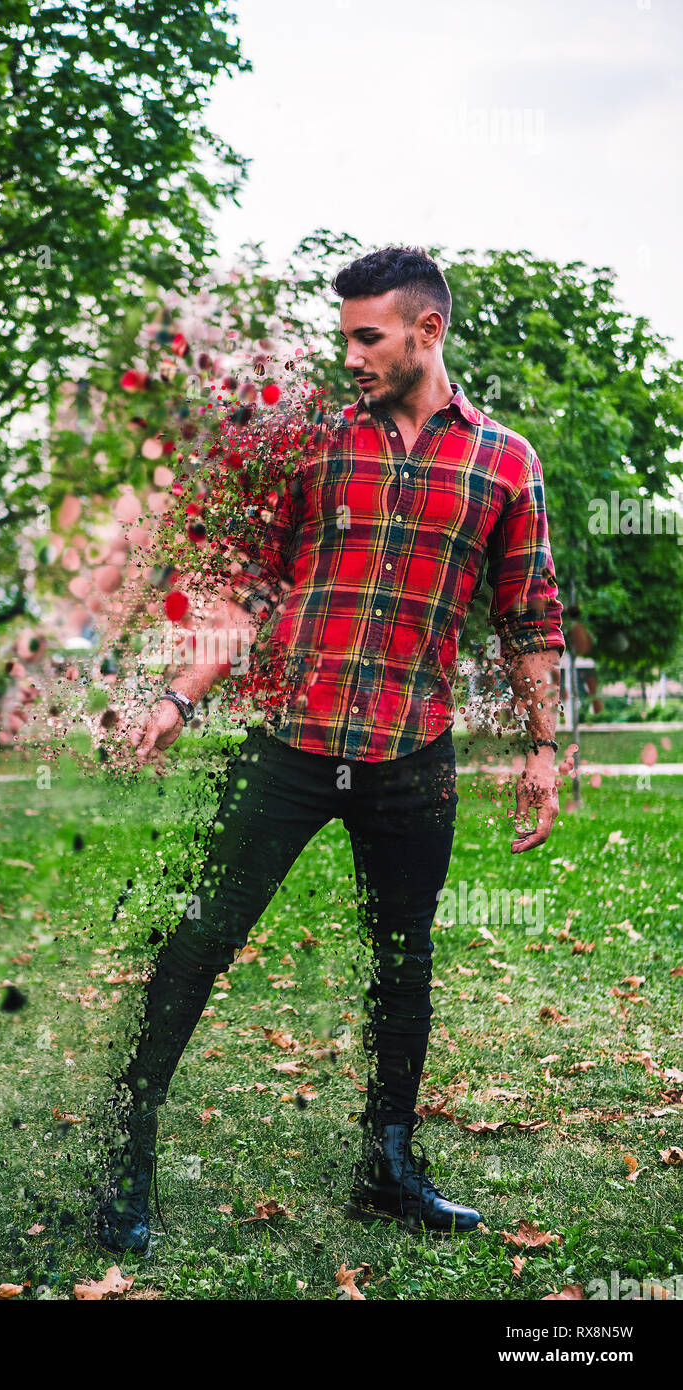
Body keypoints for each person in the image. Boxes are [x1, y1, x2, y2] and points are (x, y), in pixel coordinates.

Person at [94, 245, 566, 1254]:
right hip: (293, 742)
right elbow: (248, 590)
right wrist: (180, 694)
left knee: (405, 959)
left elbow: (529, 619)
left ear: (425, 331)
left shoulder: (504, 461)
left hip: (413, 753)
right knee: (200, 938)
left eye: (367, 335)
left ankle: (387, 1164)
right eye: (341, 333)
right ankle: (125, 1151)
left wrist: (543, 748)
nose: (349, 353)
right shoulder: (309, 445)